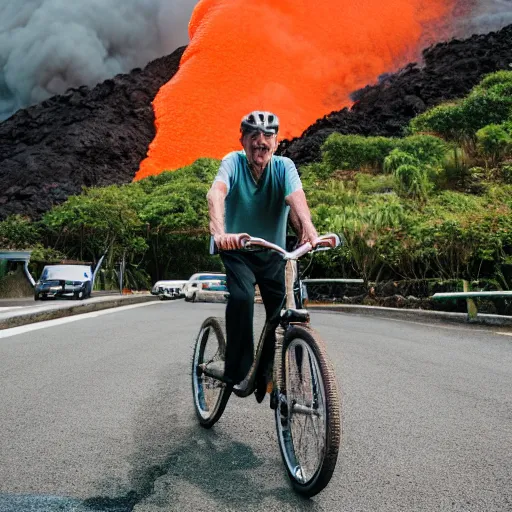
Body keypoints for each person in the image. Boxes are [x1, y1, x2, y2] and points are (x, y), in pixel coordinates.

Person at [205, 110, 319, 401]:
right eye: (253, 135)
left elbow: (297, 198)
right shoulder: (233, 162)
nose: (260, 141)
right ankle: (239, 372)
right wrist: (220, 234)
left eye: (267, 136)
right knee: (242, 298)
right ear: (242, 140)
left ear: (276, 142)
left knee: (284, 313)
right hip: (238, 249)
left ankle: (274, 375)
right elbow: (216, 194)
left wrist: (308, 227)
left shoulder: (285, 167)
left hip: (273, 253)